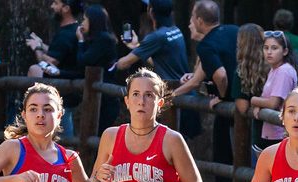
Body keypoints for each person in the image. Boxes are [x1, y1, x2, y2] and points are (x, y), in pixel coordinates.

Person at [182, 0, 238, 182]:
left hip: (229, 108)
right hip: (248, 101)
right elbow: (202, 76)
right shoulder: (234, 31)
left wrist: (224, 98)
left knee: (224, 156)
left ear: (199, 21)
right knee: (243, 161)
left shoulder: (206, 45)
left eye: (193, 18)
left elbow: (222, 75)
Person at [114, 0, 202, 141]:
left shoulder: (156, 37)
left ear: (151, 11)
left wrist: (114, 63)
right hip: (186, 95)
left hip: (173, 100)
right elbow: (157, 61)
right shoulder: (175, 30)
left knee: (169, 148)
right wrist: (137, 45)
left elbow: (124, 64)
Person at [231, 23, 270, 182]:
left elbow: (242, 107)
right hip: (276, 130)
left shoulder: (241, 70)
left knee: (258, 178)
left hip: (258, 133)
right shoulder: (271, 67)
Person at [26, 0, 83, 138]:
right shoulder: (71, 30)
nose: (52, 6)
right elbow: (59, 53)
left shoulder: (66, 34)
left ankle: (68, 156)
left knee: (63, 135)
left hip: (63, 91)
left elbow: (50, 62)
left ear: (66, 9)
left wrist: (37, 48)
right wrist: (41, 44)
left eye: (56, 3)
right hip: (68, 89)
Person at [76, 5, 119, 133]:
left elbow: (83, 61)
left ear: (93, 21)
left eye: (84, 19)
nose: (82, 23)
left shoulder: (104, 40)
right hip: (96, 97)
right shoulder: (96, 39)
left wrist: (80, 41)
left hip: (106, 100)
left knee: (98, 136)